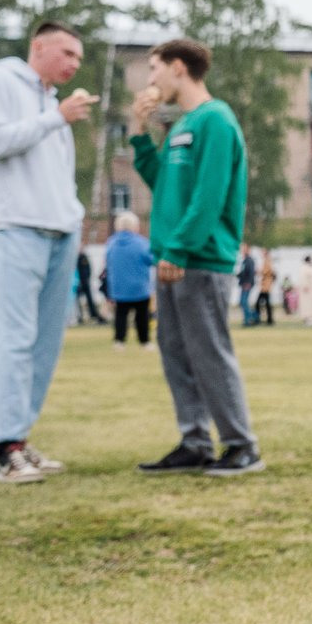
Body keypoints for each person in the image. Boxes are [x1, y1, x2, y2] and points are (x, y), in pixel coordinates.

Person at [128, 38, 263, 477]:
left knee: (209, 352)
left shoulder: (216, 120)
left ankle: (242, 445)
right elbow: (164, 182)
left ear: (178, 68)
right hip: (172, 258)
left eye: (154, 69)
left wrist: (181, 247)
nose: (150, 80)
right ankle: (195, 441)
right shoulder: (183, 125)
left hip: (199, 259)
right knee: (176, 353)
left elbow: (209, 195)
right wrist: (138, 130)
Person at [0, 20, 96, 483]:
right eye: (66, 53)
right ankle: (6, 449)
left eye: (79, 58)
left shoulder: (51, 104)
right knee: (14, 338)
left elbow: (55, 171)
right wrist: (55, 118)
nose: (73, 64)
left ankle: (21, 439)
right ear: (37, 46)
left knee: (46, 342)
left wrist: (74, 214)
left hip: (61, 230)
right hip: (14, 227)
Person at [104, 210, 154, 349]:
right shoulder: (142, 243)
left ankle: (119, 340)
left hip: (119, 286)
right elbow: (151, 260)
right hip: (139, 285)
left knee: (121, 314)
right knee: (142, 315)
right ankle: (144, 341)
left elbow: (107, 261)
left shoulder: (111, 243)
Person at [73, 246, 104, 324]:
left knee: (90, 300)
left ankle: (93, 315)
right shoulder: (73, 258)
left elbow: (88, 270)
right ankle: (79, 317)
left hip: (85, 283)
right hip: (77, 283)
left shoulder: (84, 257)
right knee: (76, 301)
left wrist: (87, 279)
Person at [296, 254, 312, 326]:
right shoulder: (304, 268)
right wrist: (305, 285)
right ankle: (307, 319)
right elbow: (303, 278)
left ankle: (311, 319)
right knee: (307, 306)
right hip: (306, 291)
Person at [236, 243, 258, 326]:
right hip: (243, 284)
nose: (242, 251)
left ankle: (250, 318)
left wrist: (248, 283)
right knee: (243, 302)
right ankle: (252, 317)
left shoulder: (249, 260)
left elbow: (251, 273)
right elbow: (243, 273)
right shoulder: (245, 261)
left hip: (247, 284)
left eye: (244, 249)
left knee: (243, 302)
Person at [254, 248, 276, 325]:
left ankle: (259, 319)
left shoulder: (267, 261)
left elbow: (266, 271)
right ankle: (269, 319)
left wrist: (258, 271)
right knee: (267, 303)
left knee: (258, 304)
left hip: (266, 286)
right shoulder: (267, 261)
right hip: (265, 286)